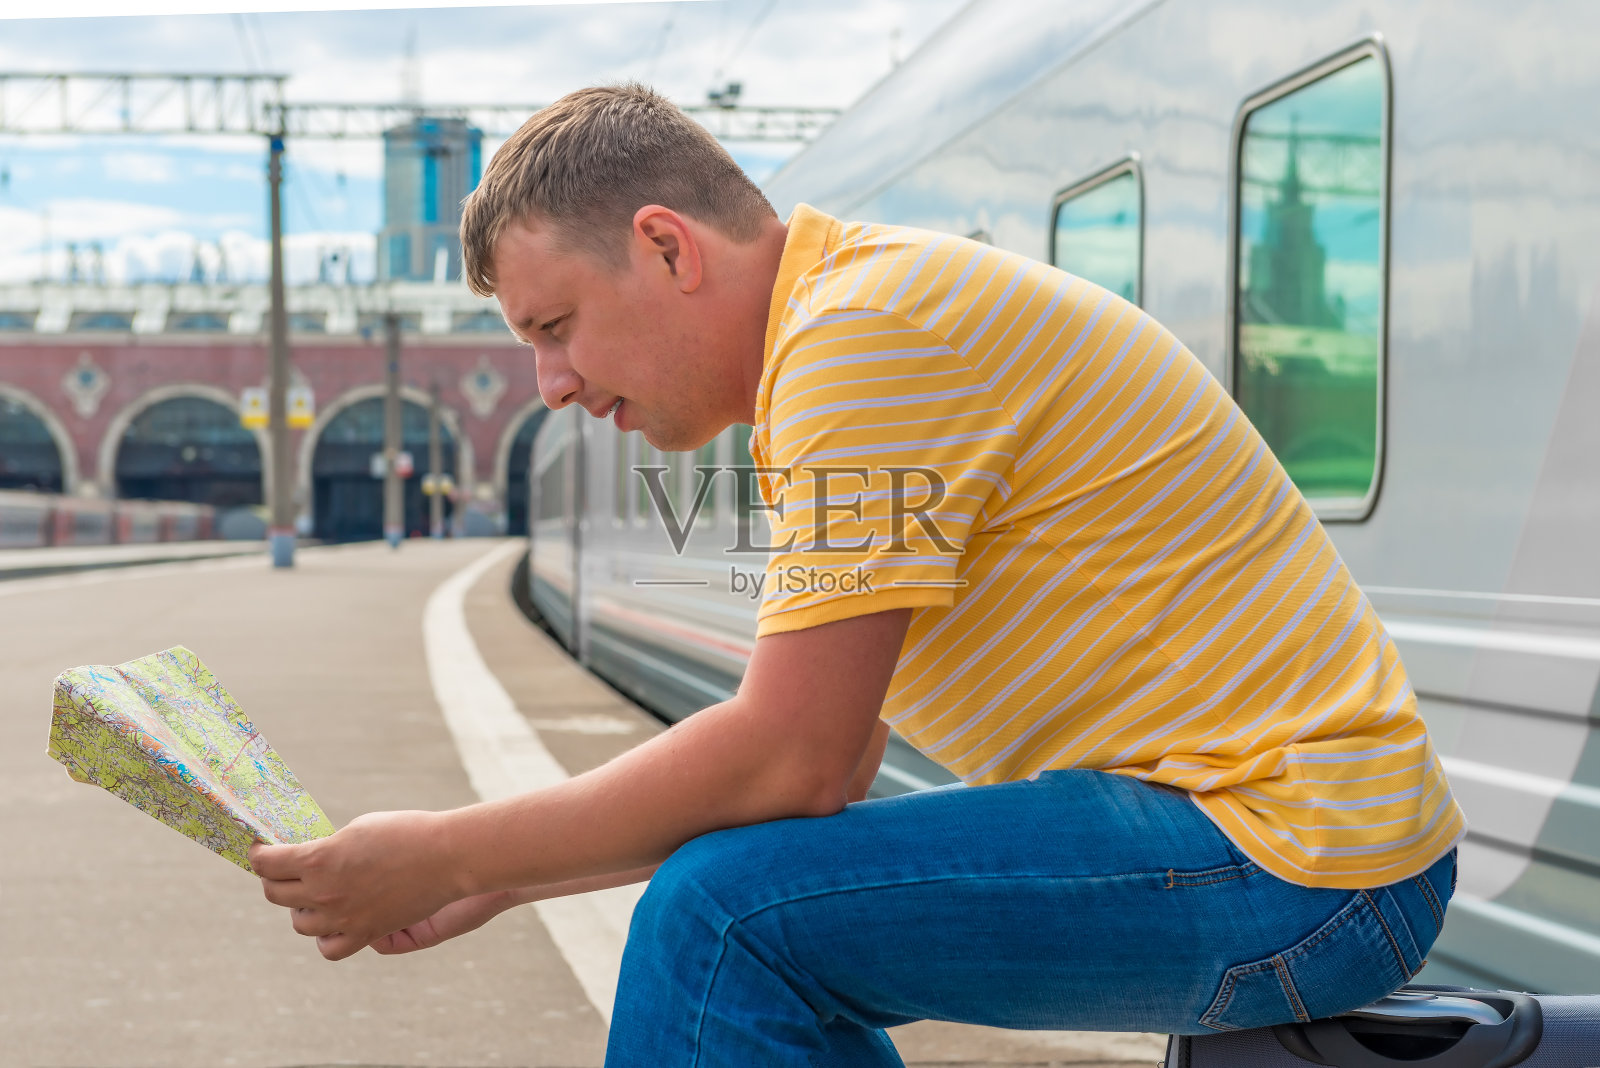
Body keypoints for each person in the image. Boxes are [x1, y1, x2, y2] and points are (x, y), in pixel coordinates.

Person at [249, 84, 1466, 1067]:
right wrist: (507, 878)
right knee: (751, 909)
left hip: (1296, 856)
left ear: (664, 246)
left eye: (553, 327)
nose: (551, 387)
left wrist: (459, 853)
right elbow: (808, 774)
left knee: (722, 920)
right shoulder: (841, 327)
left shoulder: (861, 341)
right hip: (1287, 841)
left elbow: (797, 757)